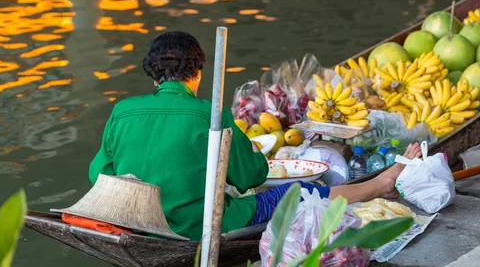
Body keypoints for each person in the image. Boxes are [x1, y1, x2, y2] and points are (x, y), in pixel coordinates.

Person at [89, 31, 422, 241]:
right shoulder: (210, 113)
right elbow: (250, 176)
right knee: (298, 192)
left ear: (152, 74)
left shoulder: (122, 110)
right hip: (191, 225)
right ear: (198, 72)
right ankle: (380, 185)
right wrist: (247, 153)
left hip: (134, 220)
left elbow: (98, 175)